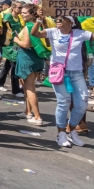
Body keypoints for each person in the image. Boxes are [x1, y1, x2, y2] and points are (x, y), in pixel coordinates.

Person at [30, 16, 94, 147]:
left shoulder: (80, 33)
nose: (57, 21)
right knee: (64, 102)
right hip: (59, 73)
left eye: (61, 19)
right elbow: (35, 33)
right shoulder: (53, 31)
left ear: (71, 22)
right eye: (57, 19)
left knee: (82, 103)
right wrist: (39, 20)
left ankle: (70, 130)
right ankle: (61, 134)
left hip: (76, 73)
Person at [13, 4, 45, 126]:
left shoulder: (28, 26)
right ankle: (28, 112)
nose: (22, 14)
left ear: (32, 14)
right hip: (33, 58)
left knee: (30, 88)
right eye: (22, 12)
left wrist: (16, 41)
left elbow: (26, 44)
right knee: (26, 87)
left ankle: (37, 117)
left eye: (25, 12)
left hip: (27, 58)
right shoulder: (35, 25)